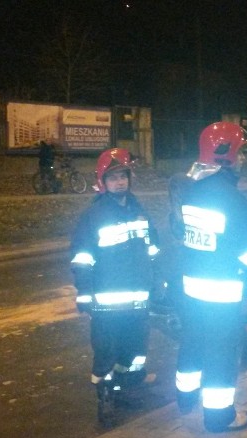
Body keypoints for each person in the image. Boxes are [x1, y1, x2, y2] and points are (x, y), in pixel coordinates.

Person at [173, 121, 247, 433]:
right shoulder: (232, 199)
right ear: (226, 157)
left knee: (192, 342)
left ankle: (185, 397)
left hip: (191, 289)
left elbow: (181, 232)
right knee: (222, 354)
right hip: (222, 292)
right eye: (241, 154)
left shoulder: (191, 192)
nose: (243, 161)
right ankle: (219, 416)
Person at [69, 147, 160, 423]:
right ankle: (105, 395)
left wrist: (157, 281)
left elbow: (153, 249)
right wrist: (84, 293)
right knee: (107, 350)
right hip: (107, 304)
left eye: (123, 176)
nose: (120, 182)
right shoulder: (94, 216)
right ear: (102, 182)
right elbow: (82, 258)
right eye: (113, 178)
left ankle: (129, 388)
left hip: (138, 300)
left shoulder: (139, 210)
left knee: (134, 349)